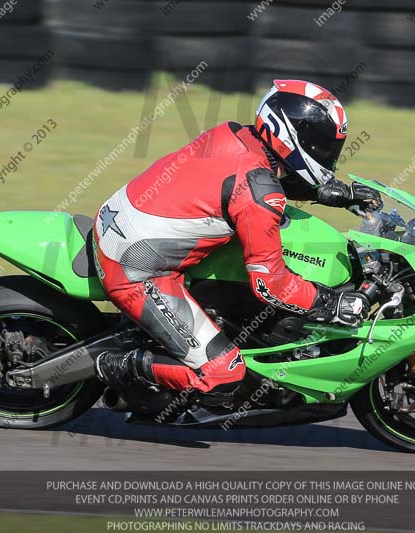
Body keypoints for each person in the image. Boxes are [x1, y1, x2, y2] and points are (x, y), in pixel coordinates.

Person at [92, 79, 380, 401]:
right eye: (322, 145)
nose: (327, 155)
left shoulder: (234, 135)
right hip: (135, 268)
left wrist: (328, 193)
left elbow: (246, 178)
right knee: (224, 375)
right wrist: (331, 303)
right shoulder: (260, 195)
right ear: (290, 134)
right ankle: (117, 365)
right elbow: (269, 284)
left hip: (117, 223)